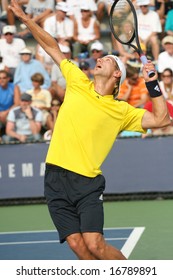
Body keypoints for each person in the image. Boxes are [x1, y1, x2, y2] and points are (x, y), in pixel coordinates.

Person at [9, 0, 171, 260]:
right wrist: (26, 20)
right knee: (78, 246)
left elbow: (162, 119)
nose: (99, 59)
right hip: (54, 177)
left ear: (117, 74)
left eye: (106, 59)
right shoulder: (77, 82)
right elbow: (52, 46)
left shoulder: (121, 110)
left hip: (86, 183)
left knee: (96, 245)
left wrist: (153, 85)